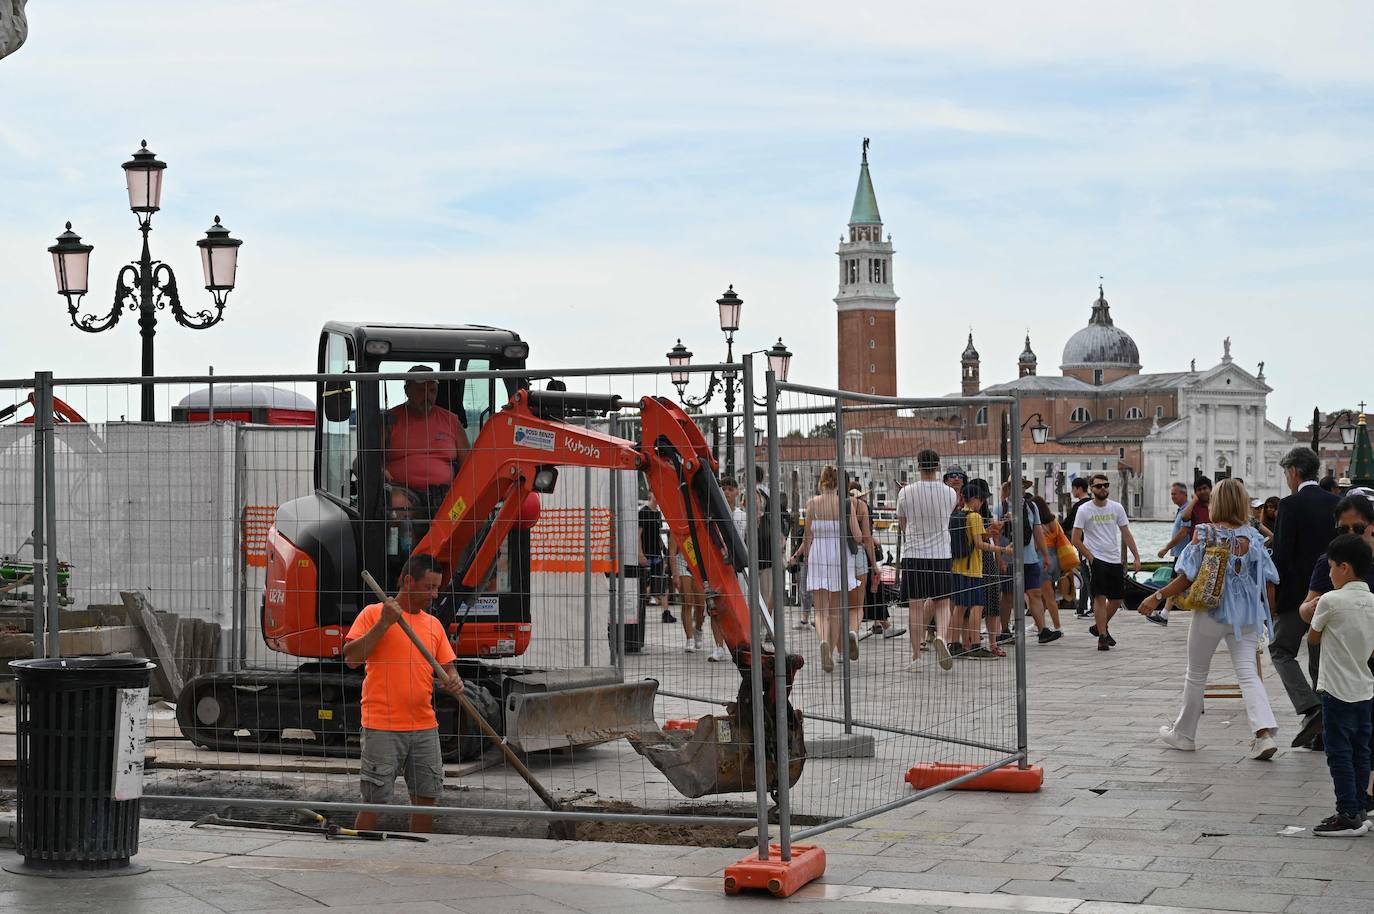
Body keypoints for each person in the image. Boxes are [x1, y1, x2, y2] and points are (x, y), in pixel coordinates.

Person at [1139, 480, 1280, 760]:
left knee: (1196, 673)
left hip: (1211, 612)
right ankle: (1263, 735)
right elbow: (1270, 580)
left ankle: (1184, 734)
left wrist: (1156, 597)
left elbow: (1186, 576)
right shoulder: (1253, 537)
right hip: (1248, 616)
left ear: (1217, 504)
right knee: (1248, 674)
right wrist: (1269, 616)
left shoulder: (1204, 533)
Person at [344, 554, 464, 834]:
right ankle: (359, 853)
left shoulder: (433, 625)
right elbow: (351, 658)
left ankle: (418, 857)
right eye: (428, 587)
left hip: (424, 727)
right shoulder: (374, 614)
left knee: (426, 798)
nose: (434, 595)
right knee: (376, 800)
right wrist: (384, 623)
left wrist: (454, 680)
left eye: (437, 588)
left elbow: (449, 668)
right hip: (382, 726)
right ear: (409, 581)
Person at [1301, 534, 1374, 837]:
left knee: (1338, 752)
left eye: (1331, 567)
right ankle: (1359, 807)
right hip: (1365, 688)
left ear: (1344, 567)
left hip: (1335, 689)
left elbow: (1312, 638)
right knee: (1361, 751)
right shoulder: (1372, 602)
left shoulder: (1330, 600)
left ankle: (1346, 813)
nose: (1329, 573)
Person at [1271, 446, 1341, 750]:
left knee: (1280, 650)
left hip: (1297, 595)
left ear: (1294, 472)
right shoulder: (1336, 503)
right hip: (1331, 590)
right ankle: (1321, 734)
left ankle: (1310, 706)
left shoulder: (1289, 505)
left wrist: (1274, 591)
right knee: (1319, 659)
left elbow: (1283, 556)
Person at [789, 466, 863, 673]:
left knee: (820, 610)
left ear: (821, 482)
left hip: (819, 555)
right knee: (837, 611)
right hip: (840, 556)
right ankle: (832, 651)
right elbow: (857, 536)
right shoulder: (845, 504)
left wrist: (801, 557)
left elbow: (807, 538)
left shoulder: (812, 504)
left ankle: (824, 642)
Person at [384, 366, 471, 523]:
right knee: (398, 506)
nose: (427, 396)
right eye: (421, 391)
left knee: (472, 512)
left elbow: (470, 465)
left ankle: (459, 548)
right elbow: (367, 458)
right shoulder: (389, 421)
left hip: (445, 493)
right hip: (403, 490)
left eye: (432, 391)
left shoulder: (451, 421)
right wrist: (380, 469)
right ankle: (408, 548)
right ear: (406, 390)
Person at [897, 449, 959, 670]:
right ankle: (941, 636)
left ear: (918, 465)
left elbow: (903, 524)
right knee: (943, 603)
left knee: (915, 606)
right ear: (938, 466)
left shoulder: (906, 492)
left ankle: (915, 656)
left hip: (914, 554)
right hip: (941, 554)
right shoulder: (950, 493)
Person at [1072, 473, 1141, 651]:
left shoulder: (1116, 508)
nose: (1103, 488)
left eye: (1105, 485)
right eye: (1098, 486)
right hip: (1096, 558)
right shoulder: (1084, 510)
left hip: (1114, 558)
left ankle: (1098, 626)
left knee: (1117, 599)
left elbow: (1126, 533)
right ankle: (1102, 636)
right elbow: (1075, 539)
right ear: (1092, 489)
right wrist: (1090, 557)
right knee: (1100, 597)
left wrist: (1136, 556)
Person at [952, 485, 1012, 658]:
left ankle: (955, 645)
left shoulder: (958, 515)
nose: (983, 502)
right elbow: (978, 545)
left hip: (958, 568)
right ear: (975, 499)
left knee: (960, 607)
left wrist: (989, 533)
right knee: (977, 606)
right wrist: (1003, 550)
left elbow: (974, 538)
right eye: (982, 499)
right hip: (973, 569)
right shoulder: (975, 516)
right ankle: (976, 645)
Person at [845, 480, 880, 647]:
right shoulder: (861, 506)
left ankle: (836, 644)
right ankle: (853, 631)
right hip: (857, 553)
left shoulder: (829, 503)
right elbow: (866, 539)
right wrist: (874, 565)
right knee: (857, 605)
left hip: (837, 555)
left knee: (837, 603)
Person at [668, 529, 706, 654]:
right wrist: (675, 574)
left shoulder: (700, 525)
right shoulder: (676, 527)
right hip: (682, 563)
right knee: (687, 601)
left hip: (698, 564)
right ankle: (689, 638)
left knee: (700, 605)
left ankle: (698, 629)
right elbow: (672, 552)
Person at [639, 495, 675, 624]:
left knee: (662, 584)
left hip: (657, 555)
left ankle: (666, 613)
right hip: (646, 555)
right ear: (650, 494)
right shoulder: (643, 512)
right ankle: (639, 613)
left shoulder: (657, 514)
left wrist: (663, 552)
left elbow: (658, 535)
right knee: (644, 586)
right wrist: (640, 554)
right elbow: (638, 534)